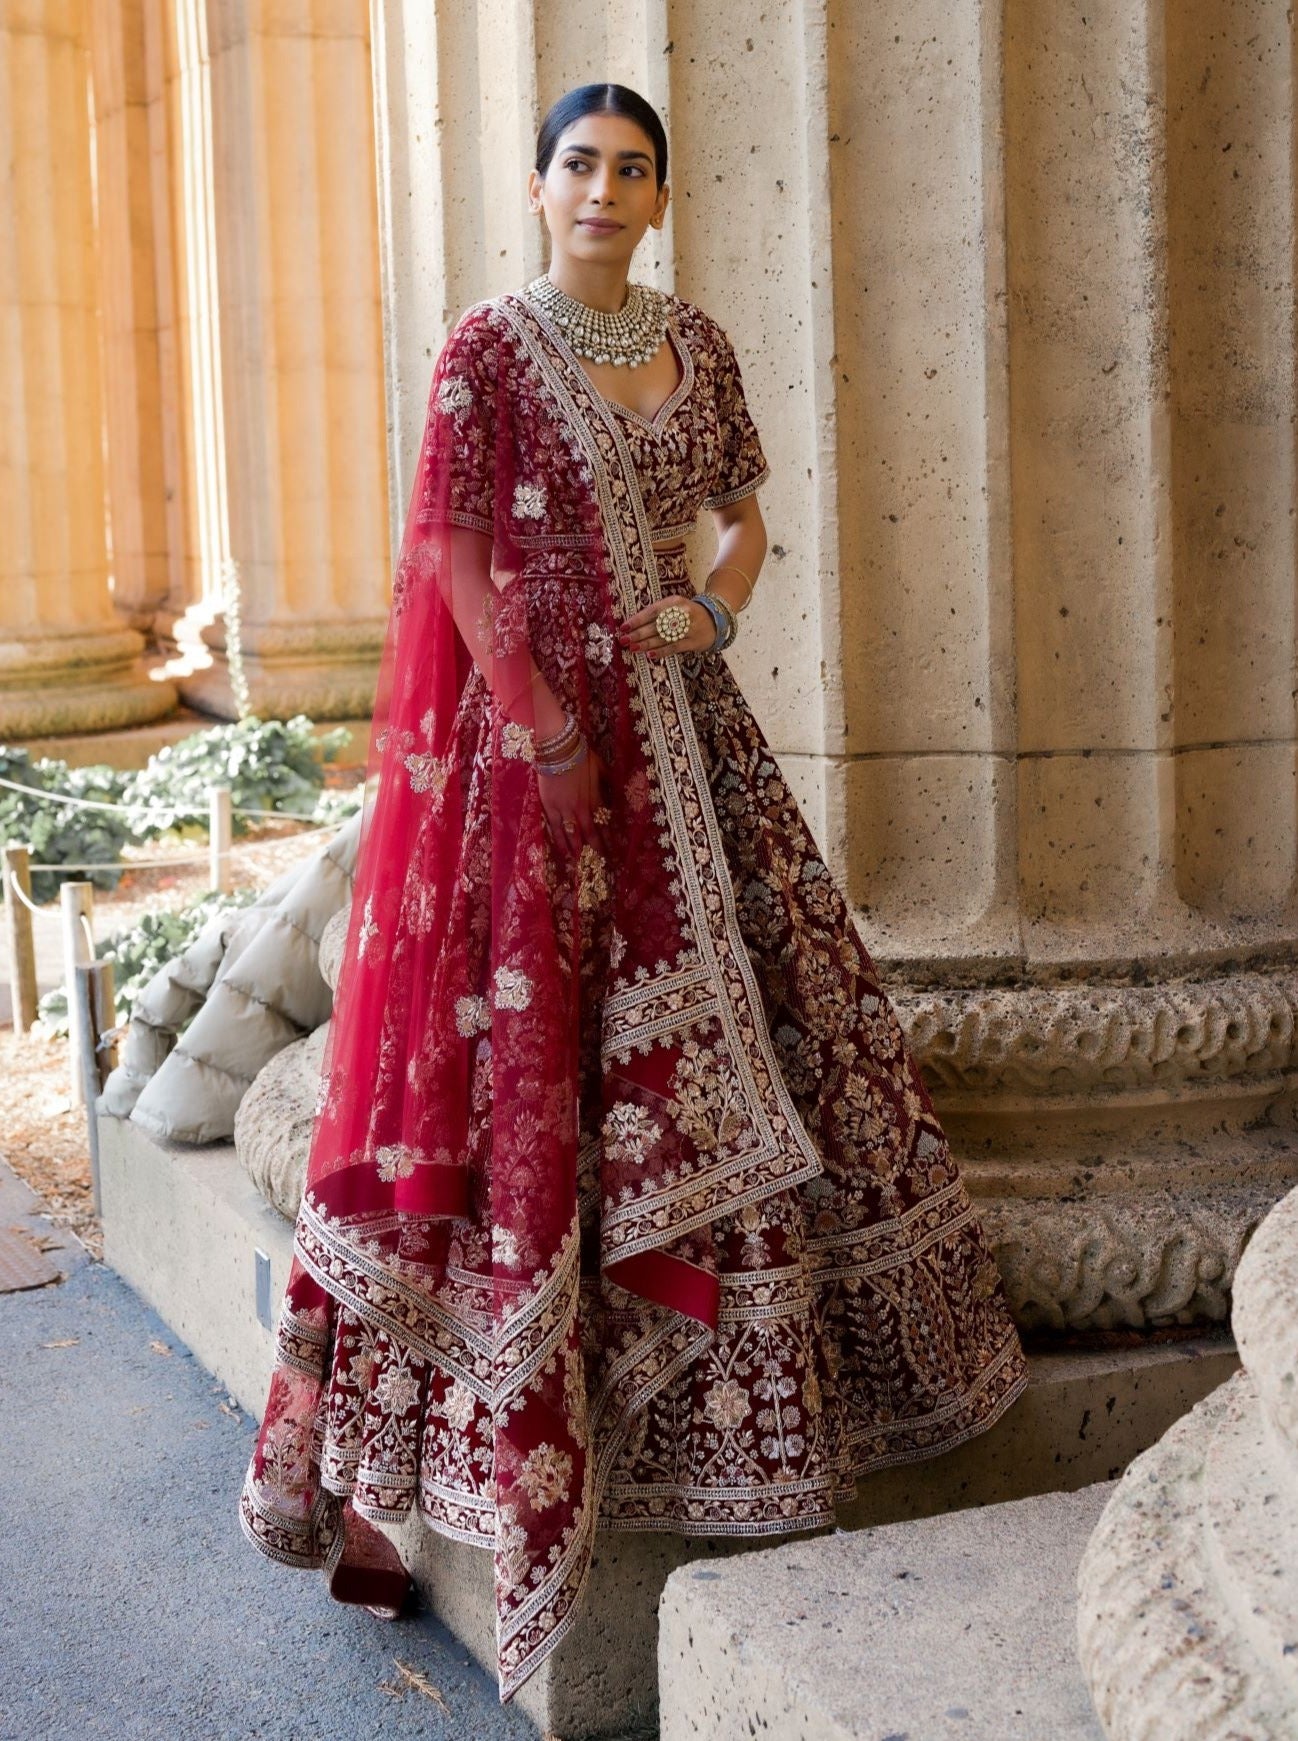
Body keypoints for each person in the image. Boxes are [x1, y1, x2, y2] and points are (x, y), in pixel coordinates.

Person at [239, 80, 1029, 1705]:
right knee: (496, 1092)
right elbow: (456, 562)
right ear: (538, 187)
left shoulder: (699, 341)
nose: (605, 188)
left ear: (661, 199)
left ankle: (716, 1442)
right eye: (580, 164)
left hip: (684, 744)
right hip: (523, 761)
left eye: (634, 169)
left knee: (765, 1043)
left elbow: (741, 521)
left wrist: (711, 612)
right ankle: (416, 1474)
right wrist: (537, 732)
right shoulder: (487, 347)